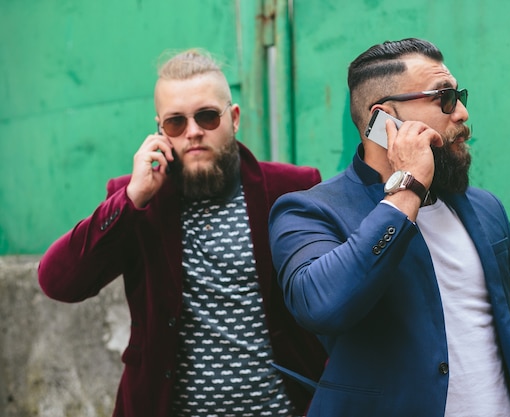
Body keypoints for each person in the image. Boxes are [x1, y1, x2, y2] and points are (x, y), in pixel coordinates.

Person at [268, 38, 510, 416]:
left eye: (459, 96)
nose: (462, 113)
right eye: (444, 98)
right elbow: (322, 307)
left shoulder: (486, 209)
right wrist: (407, 190)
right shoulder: (307, 212)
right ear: (384, 119)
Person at [38, 48, 327, 417]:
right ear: (160, 129)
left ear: (234, 118)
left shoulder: (291, 187)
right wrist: (130, 199)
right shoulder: (138, 201)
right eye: (176, 123)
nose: (193, 132)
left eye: (207, 117)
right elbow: (58, 281)